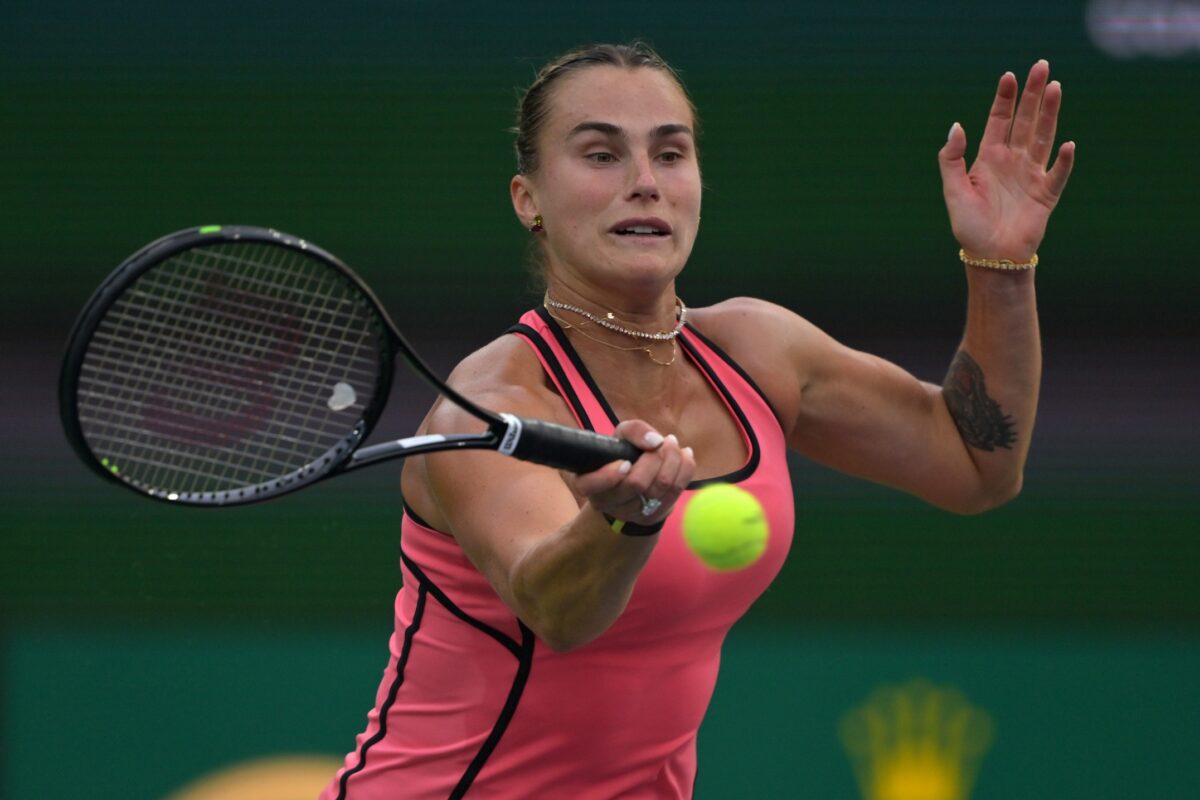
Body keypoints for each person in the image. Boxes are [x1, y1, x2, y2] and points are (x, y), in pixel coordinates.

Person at [321, 42, 1074, 799]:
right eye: (601, 154)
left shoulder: (758, 351)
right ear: (529, 198)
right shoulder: (497, 405)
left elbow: (977, 466)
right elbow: (558, 612)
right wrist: (624, 520)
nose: (645, 183)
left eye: (671, 154)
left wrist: (1000, 268)